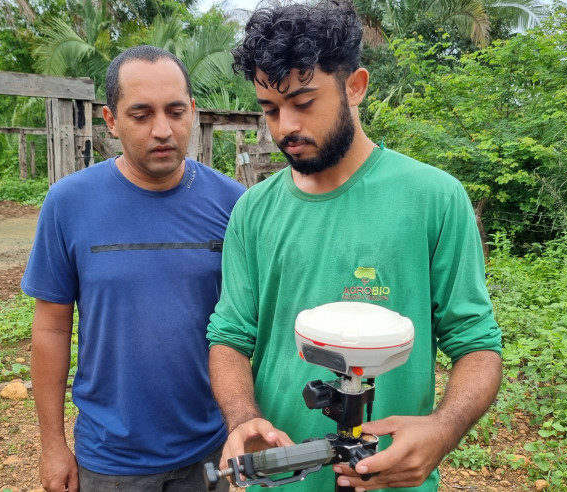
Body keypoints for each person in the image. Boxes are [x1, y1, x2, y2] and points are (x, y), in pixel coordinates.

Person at [206, 2, 503, 491]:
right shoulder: (253, 210)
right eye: (269, 109)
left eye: (303, 103)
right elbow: (231, 336)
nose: (284, 128)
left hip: (393, 481)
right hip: (280, 479)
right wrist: (242, 419)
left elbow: (476, 342)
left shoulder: (432, 197)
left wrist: (442, 431)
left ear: (355, 86)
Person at [22, 45, 245, 492]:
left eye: (175, 111)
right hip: (110, 458)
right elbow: (50, 328)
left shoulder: (234, 204)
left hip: (209, 449)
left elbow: (248, 324)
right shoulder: (69, 203)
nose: (162, 130)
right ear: (110, 119)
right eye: (141, 114)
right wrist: (52, 444)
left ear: (193, 113)